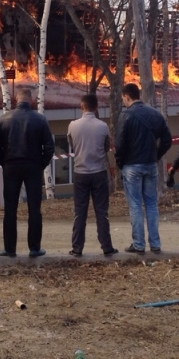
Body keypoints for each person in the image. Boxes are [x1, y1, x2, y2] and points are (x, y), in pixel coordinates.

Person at [0, 88, 55, 258]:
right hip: (33, 166)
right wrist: (41, 163)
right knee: (35, 208)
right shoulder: (40, 119)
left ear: (16, 99)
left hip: (11, 165)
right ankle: (34, 248)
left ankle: (10, 249)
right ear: (31, 100)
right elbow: (49, 146)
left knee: (10, 209)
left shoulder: (4, 119)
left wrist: (3, 161)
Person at [114, 83, 171, 253]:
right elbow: (167, 140)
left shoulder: (126, 116)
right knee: (152, 204)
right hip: (151, 165)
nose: (123, 101)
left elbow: (119, 144)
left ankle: (139, 244)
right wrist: (156, 155)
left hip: (131, 166)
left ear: (126, 96)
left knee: (136, 205)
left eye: (123, 98)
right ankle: (155, 244)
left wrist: (120, 163)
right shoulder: (155, 114)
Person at [67, 94, 119, 256]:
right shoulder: (102, 126)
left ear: (81, 107)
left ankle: (77, 248)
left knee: (80, 212)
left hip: (80, 172)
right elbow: (106, 147)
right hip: (99, 172)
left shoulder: (72, 126)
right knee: (102, 211)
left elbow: (72, 146)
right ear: (96, 107)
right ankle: (106, 246)